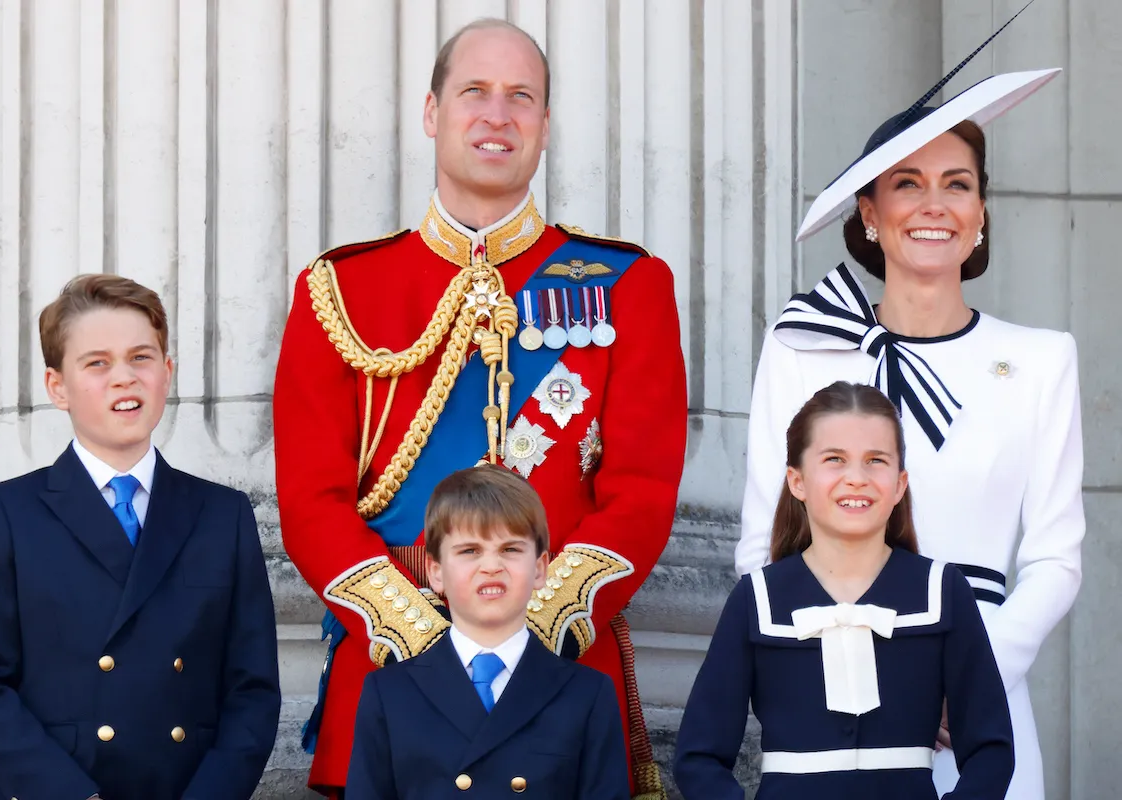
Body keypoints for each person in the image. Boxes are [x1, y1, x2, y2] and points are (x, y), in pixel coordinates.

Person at [273, 17, 685, 799]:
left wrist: (534, 625)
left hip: (560, 677)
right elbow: (310, 501)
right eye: (475, 93)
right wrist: (420, 634)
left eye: (520, 97)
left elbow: (641, 492)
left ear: (544, 125)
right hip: (390, 667)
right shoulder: (340, 292)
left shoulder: (628, 285)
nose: (498, 116)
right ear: (433, 113)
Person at [734, 12, 1080, 797]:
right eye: (906, 184)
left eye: (957, 184)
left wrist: (970, 672)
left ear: (982, 210)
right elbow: (761, 547)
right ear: (868, 212)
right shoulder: (803, 347)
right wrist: (845, 661)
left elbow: (1057, 558)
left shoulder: (1041, 360)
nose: (934, 205)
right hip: (833, 698)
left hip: (983, 701)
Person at [0, 275, 281, 800]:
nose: (124, 378)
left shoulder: (223, 515)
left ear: (166, 373)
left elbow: (253, 691)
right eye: (97, 363)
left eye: (141, 358)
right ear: (58, 387)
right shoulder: (7, 513)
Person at [678, 381, 1014, 799]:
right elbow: (699, 756)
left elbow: (992, 748)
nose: (856, 478)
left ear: (900, 483)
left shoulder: (943, 591)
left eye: (876, 461)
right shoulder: (757, 599)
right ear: (797, 481)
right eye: (834, 459)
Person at [346, 465, 630, 799]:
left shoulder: (587, 695)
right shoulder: (389, 693)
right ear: (435, 572)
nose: (491, 566)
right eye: (470, 551)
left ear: (540, 569)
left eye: (510, 549)